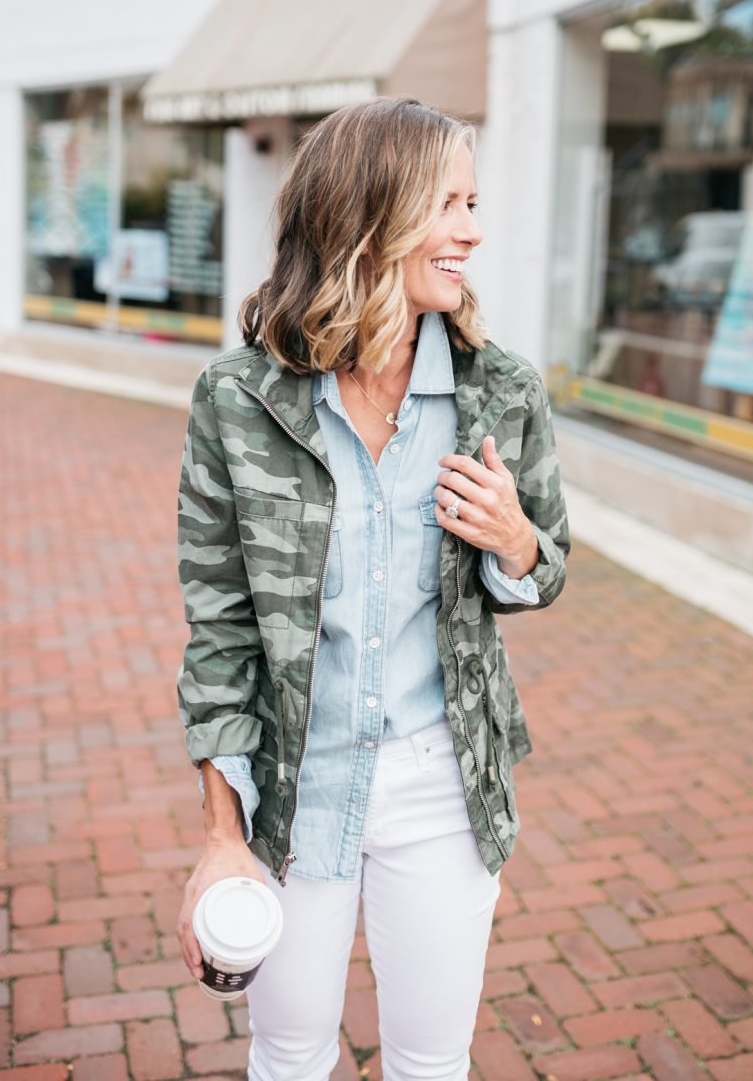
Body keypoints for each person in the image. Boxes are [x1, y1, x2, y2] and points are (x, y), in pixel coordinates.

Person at [175, 97, 571, 1081]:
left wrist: (515, 543)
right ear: (367, 216)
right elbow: (219, 629)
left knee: (433, 1063)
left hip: (444, 783)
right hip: (294, 790)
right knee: (290, 1050)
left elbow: (547, 567)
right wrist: (222, 838)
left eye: (474, 202)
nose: (473, 230)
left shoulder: (502, 392)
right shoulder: (239, 401)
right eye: (448, 204)